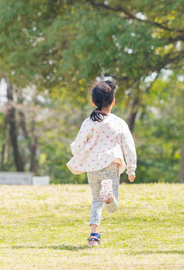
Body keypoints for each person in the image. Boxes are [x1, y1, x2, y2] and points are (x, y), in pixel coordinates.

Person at [67, 80, 137, 247]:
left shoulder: (88, 122)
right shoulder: (118, 122)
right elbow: (129, 146)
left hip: (92, 167)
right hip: (111, 165)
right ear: (113, 101)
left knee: (96, 201)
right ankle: (110, 195)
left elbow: (77, 147)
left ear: (93, 102)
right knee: (112, 206)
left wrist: (73, 148)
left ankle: (93, 236)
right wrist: (131, 169)